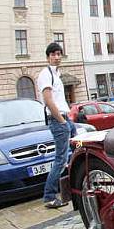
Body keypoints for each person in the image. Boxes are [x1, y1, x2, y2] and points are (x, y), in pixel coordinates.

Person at [38, 42, 77, 208]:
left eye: (59, 54)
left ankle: (79, 181)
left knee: (79, 147)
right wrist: (62, 121)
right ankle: (49, 196)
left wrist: (67, 119)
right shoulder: (45, 74)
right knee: (60, 159)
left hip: (65, 118)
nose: (57, 57)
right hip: (58, 120)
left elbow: (60, 100)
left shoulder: (57, 74)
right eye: (53, 54)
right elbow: (48, 100)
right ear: (48, 57)